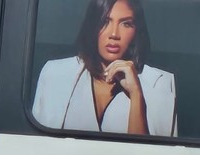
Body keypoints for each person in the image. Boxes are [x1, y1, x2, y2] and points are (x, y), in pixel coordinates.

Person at [32, 0, 177, 137]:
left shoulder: (160, 83)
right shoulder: (55, 73)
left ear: (136, 32)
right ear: (92, 26)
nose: (114, 34)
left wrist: (136, 94)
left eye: (126, 24)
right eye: (105, 22)